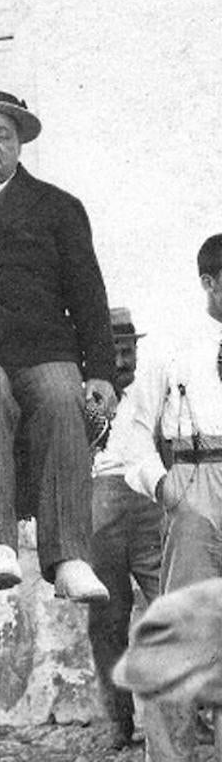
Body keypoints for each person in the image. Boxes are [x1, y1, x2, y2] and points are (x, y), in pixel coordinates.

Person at [0, 89, 116, 599]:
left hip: (42, 343)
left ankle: (70, 557)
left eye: (2, 134)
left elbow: (89, 295)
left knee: (60, 398)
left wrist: (100, 371)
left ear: (20, 146)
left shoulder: (58, 207)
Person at [120, 234, 222, 761]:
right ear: (210, 282)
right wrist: (162, 484)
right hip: (194, 484)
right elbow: (131, 434)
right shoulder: (173, 347)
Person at [85, 307, 163, 750]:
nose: (122, 359)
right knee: (107, 620)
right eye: (113, 349)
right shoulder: (88, 397)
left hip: (150, 506)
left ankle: (181, 715)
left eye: (128, 348)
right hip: (101, 511)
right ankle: (119, 720)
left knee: (169, 610)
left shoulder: (152, 392)